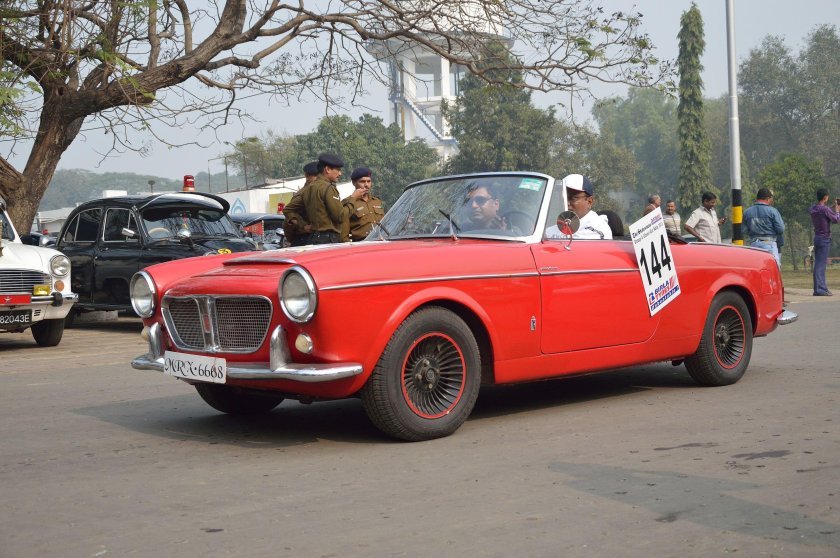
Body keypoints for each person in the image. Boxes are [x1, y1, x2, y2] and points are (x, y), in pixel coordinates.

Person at [300, 152, 363, 244]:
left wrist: (302, 225)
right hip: (328, 239)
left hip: (313, 238)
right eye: (338, 170)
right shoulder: (328, 188)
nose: (340, 173)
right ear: (328, 169)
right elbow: (340, 216)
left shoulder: (309, 188)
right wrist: (353, 198)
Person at [545, 174, 612, 240]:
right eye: (563, 197)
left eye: (573, 198)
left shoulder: (596, 228)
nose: (567, 203)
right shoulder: (556, 227)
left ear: (589, 202)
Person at [808, 188, 840, 296]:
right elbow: (836, 219)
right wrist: (837, 210)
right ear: (825, 197)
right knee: (820, 265)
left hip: (817, 238)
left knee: (819, 263)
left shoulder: (813, 209)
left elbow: (823, 212)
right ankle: (820, 289)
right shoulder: (825, 210)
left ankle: (821, 287)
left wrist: (831, 207)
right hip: (825, 238)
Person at [743, 188, 785, 265]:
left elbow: (744, 229)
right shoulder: (773, 211)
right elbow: (780, 229)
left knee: (757, 269)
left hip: (753, 245)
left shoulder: (747, 212)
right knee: (772, 270)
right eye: (771, 198)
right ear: (768, 198)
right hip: (769, 245)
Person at [342, 167, 385, 241]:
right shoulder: (348, 203)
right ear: (354, 183)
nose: (366, 185)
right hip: (361, 243)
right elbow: (343, 235)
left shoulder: (377, 201)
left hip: (381, 242)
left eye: (369, 181)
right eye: (362, 181)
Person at [282, 161, 319, 246]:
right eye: (316, 176)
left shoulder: (316, 190)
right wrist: (304, 226)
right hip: (304, 238)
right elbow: (288, 211)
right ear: (307, 176)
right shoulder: (304, 192)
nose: (318, 179)